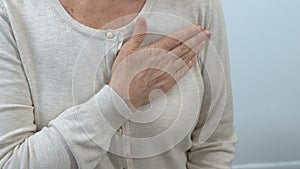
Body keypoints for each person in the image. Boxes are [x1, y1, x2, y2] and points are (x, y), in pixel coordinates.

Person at [0, 0, 237, 168]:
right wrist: (119, 100)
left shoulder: (196, 5)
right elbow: (12, 162)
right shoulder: (11, 14)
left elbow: (214, 143)